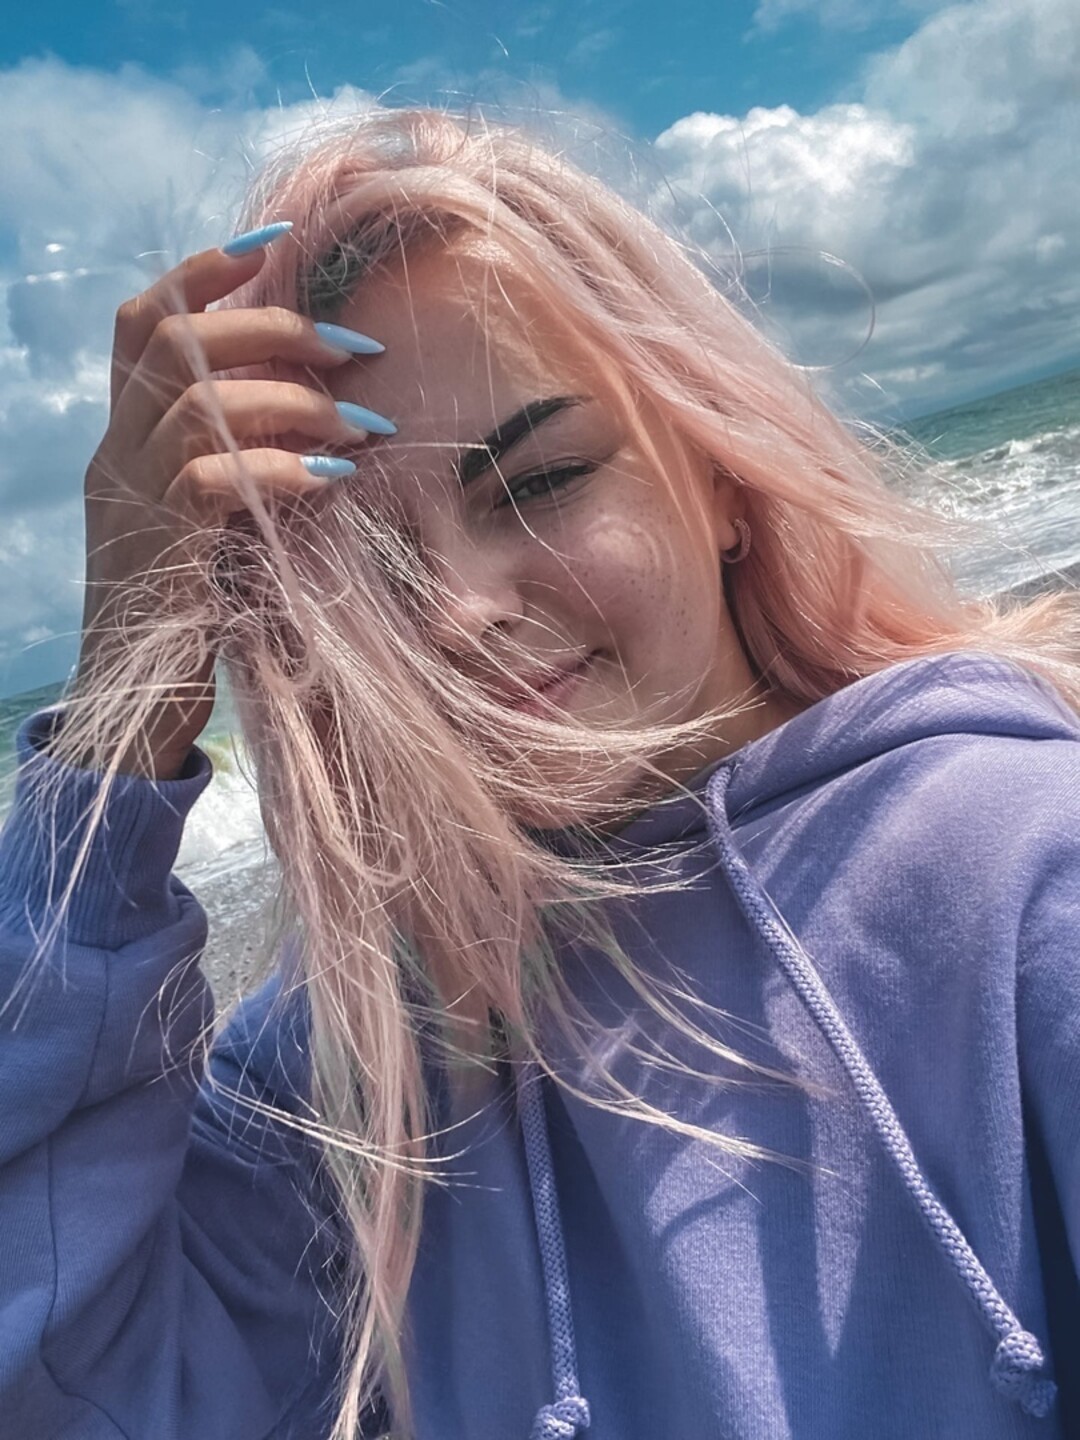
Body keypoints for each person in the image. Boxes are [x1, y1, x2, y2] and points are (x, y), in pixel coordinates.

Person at [0, 106, 1077, 1440]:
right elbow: (64, 1379)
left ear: (721, 471)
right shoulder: (358, 1067)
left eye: (541, 481)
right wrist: (122, 712)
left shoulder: (1027, 874)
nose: (457, 614)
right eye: (371, 571)